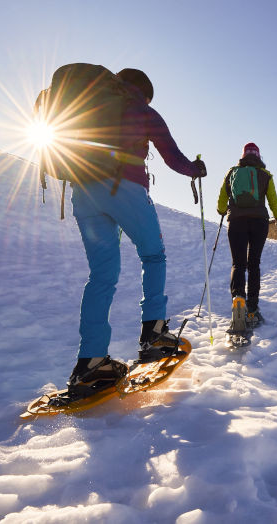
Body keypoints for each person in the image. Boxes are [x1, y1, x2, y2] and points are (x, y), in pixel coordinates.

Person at [67, 68, 206, 394]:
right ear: (144, 92)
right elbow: (173, 158)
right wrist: (195, 170)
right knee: (154, 255)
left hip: (82, 191)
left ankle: (91, 362)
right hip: (124, 188)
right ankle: (154, 334)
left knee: (101, 276)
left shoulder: (90, 107)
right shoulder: (143, 110)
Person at [217, 142, 277, 334]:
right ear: (258, 156)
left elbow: (222, 199)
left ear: (243, 156)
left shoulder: (232, 172)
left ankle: (238, 300)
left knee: (238, 264)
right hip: (259, 223)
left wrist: (222, 210)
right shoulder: (265, 175)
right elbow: (273, 201)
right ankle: (253, 310)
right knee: (253, 264)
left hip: (236, 221)